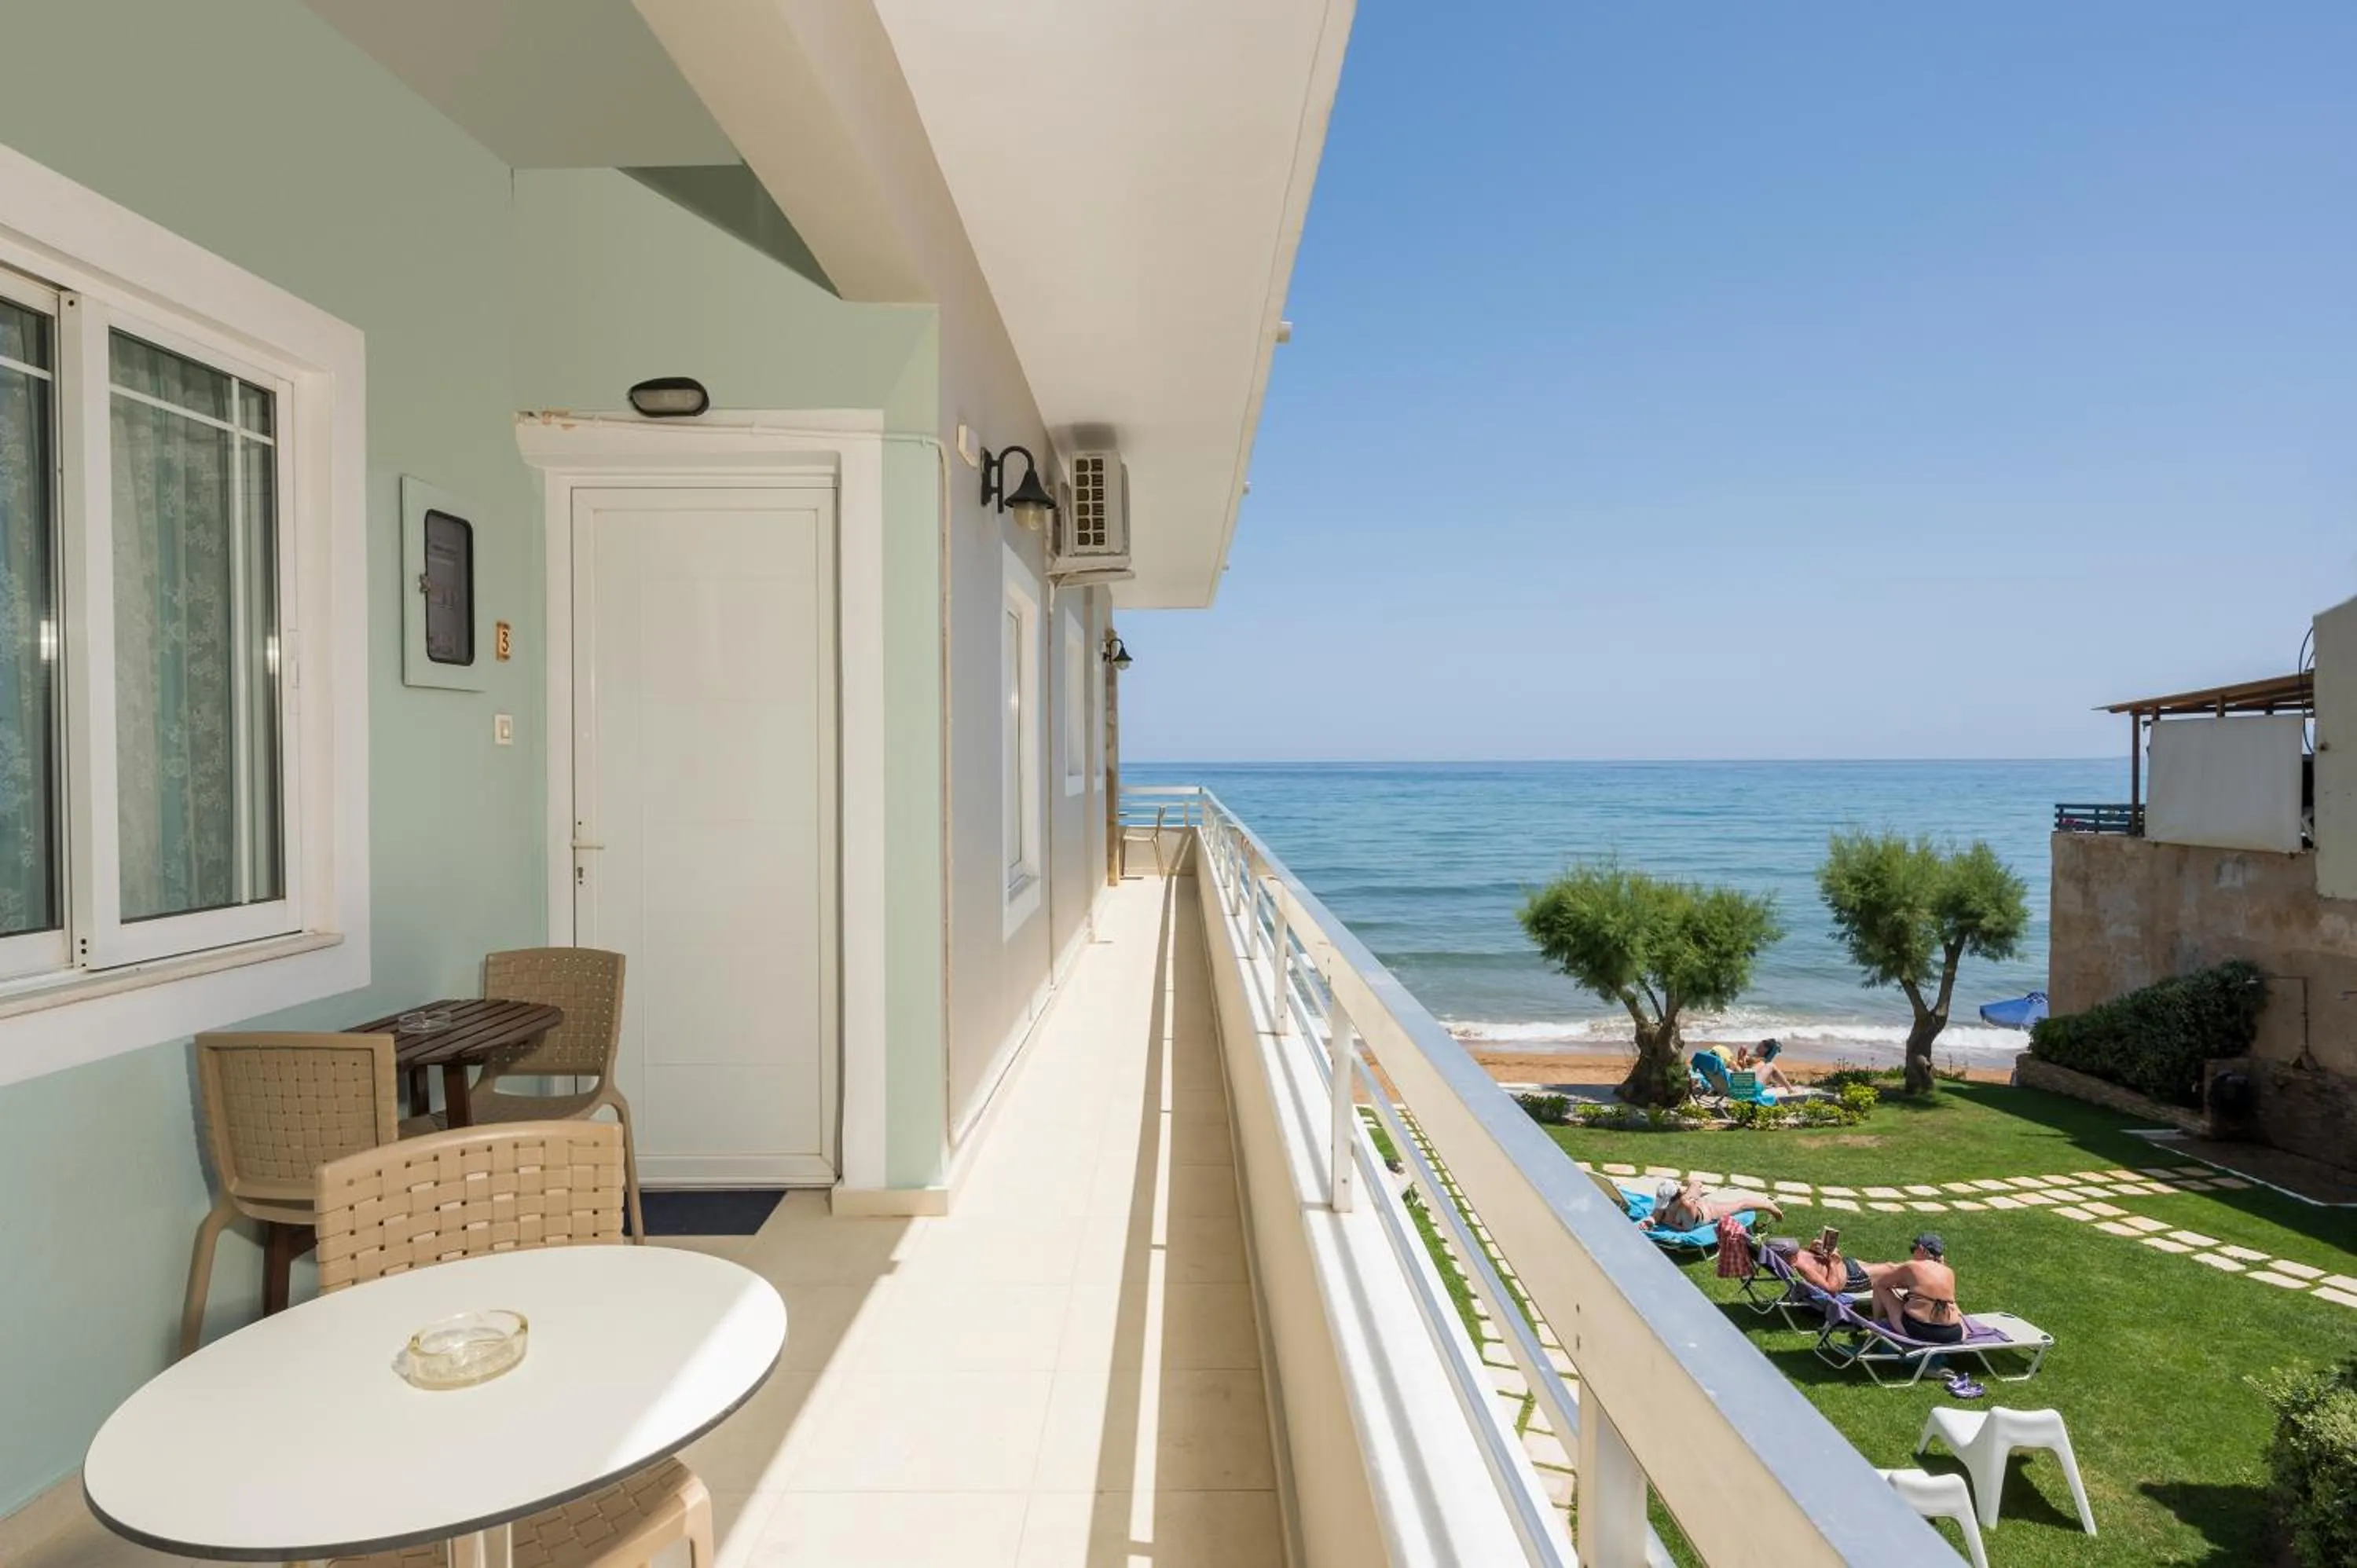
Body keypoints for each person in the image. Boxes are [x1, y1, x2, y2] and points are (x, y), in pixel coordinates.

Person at [1869, 1233, 1964, 1344]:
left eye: (1913, 1249)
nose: (1912, 1253)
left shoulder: (1911, 1266)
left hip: (1920, 1330)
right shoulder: (1949, 1272)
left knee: (1879, 1287)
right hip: (1953, 1333)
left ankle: (1875, 1330)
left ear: (1921, 1249)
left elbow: (1881, 1282)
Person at [1644, 1176, 1783, 1230]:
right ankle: (1695, 1183)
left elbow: (1688, 1228)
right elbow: (1656, 1214)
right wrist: (1648, 1222)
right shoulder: (1666, 1196)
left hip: (1707, 1212)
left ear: (1673, 1197)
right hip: (1690, 1200)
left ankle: (1769, 1206)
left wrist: (1667, 1222)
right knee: (1694, 1189)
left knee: (1741, 1204)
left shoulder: (1687, 1206)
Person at [1733, 1039, 1797, 1092]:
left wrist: (1743, 1057)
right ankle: (1790, 1089)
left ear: (1766, 1049)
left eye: (1760, 1046)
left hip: (1746, 1080)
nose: (1757, 1047)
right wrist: (1742, 1057)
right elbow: (1742, 1063)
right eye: (1758, 1045)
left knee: (1769, 1065)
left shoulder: (1762, 1060)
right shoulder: (1757, 1059)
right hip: (1747, 1081)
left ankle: (1790, 1089)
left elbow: (1745, 1062)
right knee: (1771, 1065)